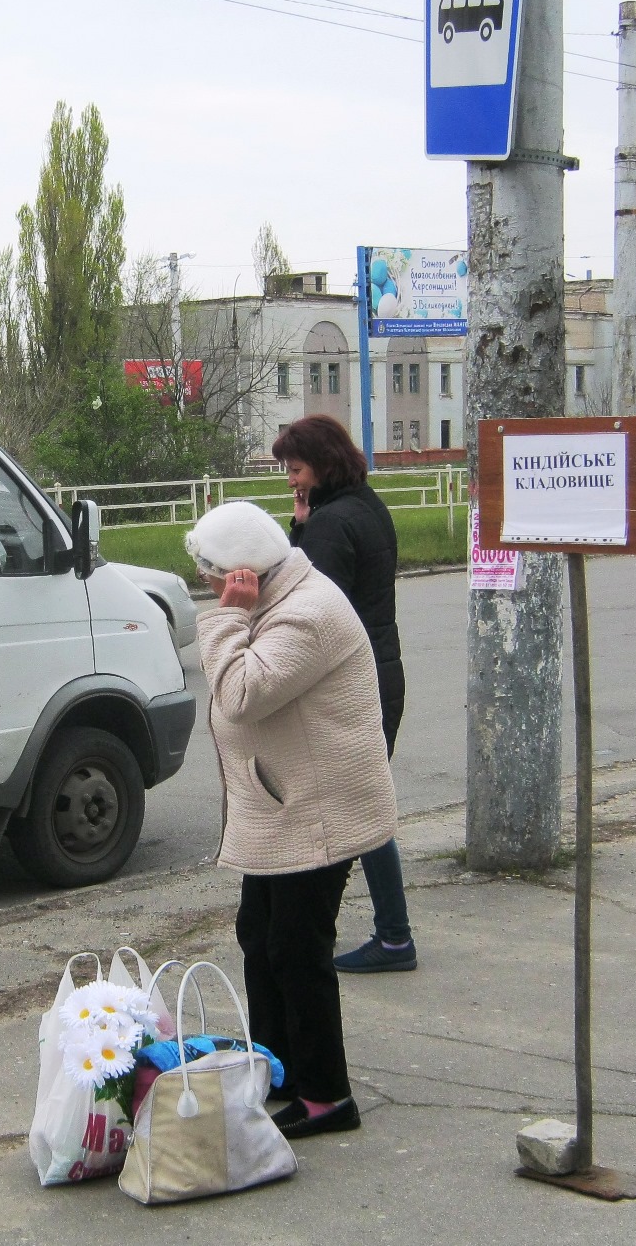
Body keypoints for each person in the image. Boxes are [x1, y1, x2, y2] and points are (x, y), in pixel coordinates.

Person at [186, 500, 397, 1140]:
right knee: (260, 934)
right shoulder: (280, 595)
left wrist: (227, 620)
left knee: (298, 950)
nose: (207, 584)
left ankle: (328, 1096)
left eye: (212, 574)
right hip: (286, 804)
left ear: (243, 572)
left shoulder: (308, 613)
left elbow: (243, 695)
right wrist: (240, 612)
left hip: (319, 809)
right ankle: (278, 1071)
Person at [271, 414, 417, 974]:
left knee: (358, 809)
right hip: (383, 670)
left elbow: (307, 608)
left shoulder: (330, 526)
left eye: (297, 468)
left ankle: (393, 936)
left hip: (351, 684)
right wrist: (304, 524)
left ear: (324, 466)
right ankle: (392, 932)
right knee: (364, 804)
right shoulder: (368, 506)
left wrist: (302, 532)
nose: (290, 480)